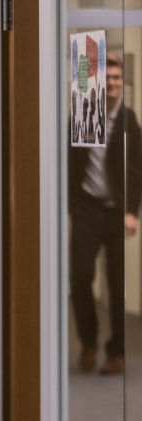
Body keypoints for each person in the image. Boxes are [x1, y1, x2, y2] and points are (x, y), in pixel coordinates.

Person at [69, 55, 142, 375]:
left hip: (116, 212)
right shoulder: (85, 113)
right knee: (80, 276)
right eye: (107, 78)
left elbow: (137, 169)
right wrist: (71, 205)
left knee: (116, 282)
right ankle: (88, 342)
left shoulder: (129, 120)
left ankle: (116, 352)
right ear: (99, 82)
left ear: (121, 82)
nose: (112, 83)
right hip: (87, 209)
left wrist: (131, 211)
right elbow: (70, 164)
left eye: (116, 78)